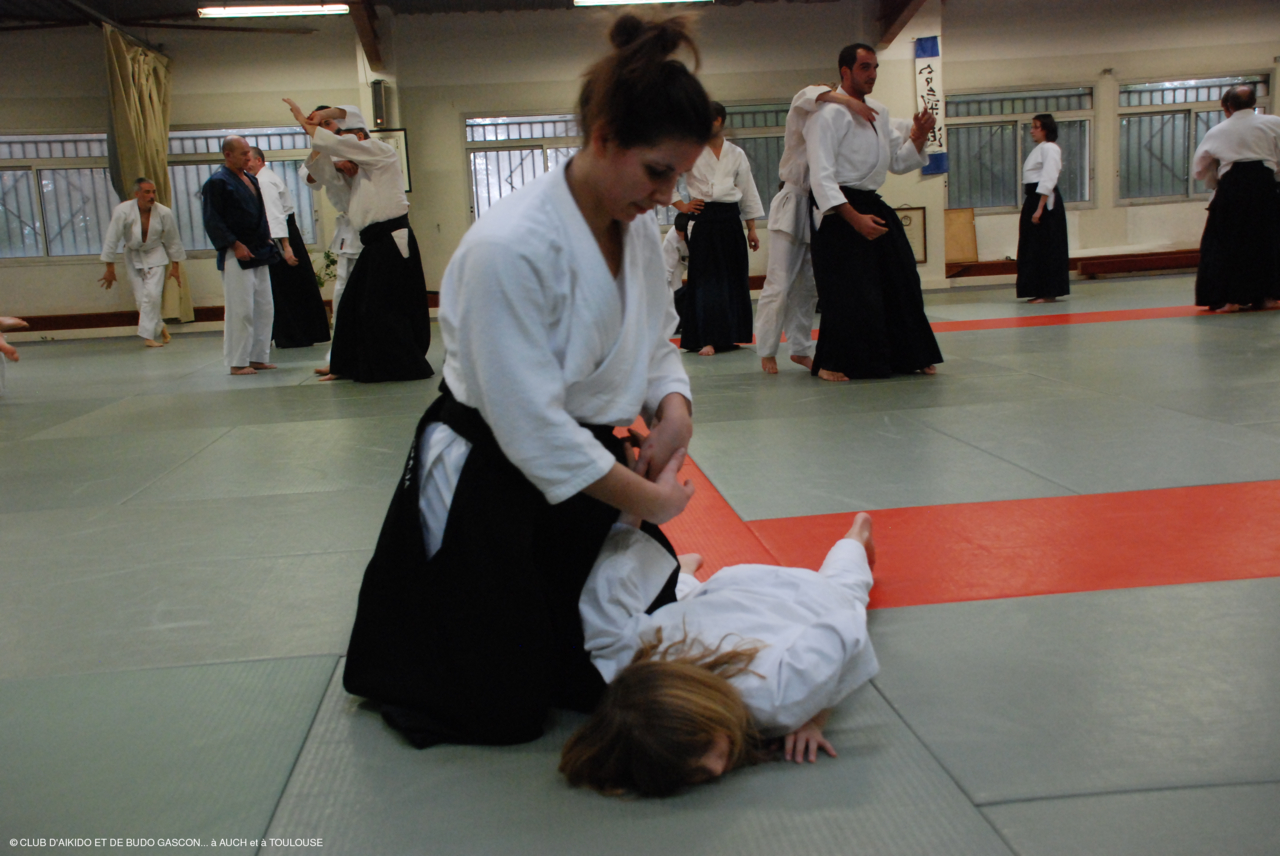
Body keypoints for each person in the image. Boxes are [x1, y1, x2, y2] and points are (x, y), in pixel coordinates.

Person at [335, 14, 712, 749]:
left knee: (620, 668)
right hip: (492, 469)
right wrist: (648, 500)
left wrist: (674, 409)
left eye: (679, 175)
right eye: (658, 171)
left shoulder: (636, 229)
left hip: (588, 466)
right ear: (603, 137)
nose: (669, 194)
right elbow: (530, 429)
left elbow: (653, 339)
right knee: (498, 707)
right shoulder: (509, 247)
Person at [561, 510, 878, 797]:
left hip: (801, 596)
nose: (714, 768)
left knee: (846, 586)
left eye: (701, 749)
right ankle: (684, 575)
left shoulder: (774, 698)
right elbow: (608, 588)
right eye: (693, 774)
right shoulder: (627, 662)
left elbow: (846, 626)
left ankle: (856, 535)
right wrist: (627, 519)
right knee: (674, 609)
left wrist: (812, 712)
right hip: (723, 589)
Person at [804, 43, 943, 381]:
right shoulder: (826, 115)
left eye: (875, 67)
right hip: (838, 209)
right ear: (845, 72)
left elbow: (898, 162)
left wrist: (920, 137)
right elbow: (821, 176)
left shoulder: (878, 111)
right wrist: (853, 219)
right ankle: (833, 362)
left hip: (871, 202)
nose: (873, 74)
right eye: (865, 67)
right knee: (849, 290)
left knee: (902, 276)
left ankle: (908, 354)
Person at [282, 101, 433, 383]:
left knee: (381, 309)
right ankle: (345, 364)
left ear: (360, 136)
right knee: (352, 304)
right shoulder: (357, 168)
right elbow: (318, 172)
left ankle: (397, 364)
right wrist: (322, 142)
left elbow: (340, 130)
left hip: (391, 239)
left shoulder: (380, 152)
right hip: (372, 241)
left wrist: (312, 120)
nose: (342, 144)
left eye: (344, 137)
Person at [756, 85, 878, 374]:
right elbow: (804, 95)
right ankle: (767, 350)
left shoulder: (836, 123)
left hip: (819, 205)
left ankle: (800, 349)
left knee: (809, 285)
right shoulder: (802, 116)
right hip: (792, 199)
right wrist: (846, 99)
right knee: (779, 283)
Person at [674, 102, 764, 356]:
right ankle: (706, 338)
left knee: (733, 277)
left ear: (718, 121)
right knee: (706, 281)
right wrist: (682, 205)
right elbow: (666, 175)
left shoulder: (736, 153)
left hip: (730, 218)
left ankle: (731, 335)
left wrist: (752, 229)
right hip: (704, 218)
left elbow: (747, 191)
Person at [1193, 85, 1280, 312]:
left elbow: (1199, 169)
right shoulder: (1274, 123)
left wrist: (1213, 181)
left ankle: (1229, 299)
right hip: (1265, 188)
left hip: (1233, 190)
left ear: (1228, 106)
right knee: (1266, 240)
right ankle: (1267, 296)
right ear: (1254, 103)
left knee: (1226, 242)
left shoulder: (1218, 131)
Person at [201, 136, 281, 375]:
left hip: (259, 249)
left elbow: (260, 214)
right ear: (228, 155)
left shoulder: (251, 179)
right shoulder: (217, 182)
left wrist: (267, 237)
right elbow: (212, 220)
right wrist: (234, 244)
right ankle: (237, 362)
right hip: (235, 253)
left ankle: (258, 357)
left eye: (249, 153)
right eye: (243, 153)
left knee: (264, 307)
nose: (248, 157)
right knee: (241, 310)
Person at [299, 106, 364, 375]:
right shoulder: (320, 153)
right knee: (342, 295)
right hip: (350, 230)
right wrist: (333, 162)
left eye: (327, 122)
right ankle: (339, 357)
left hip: (373, 226)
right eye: (318, 125)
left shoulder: (358, 143)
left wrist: (329, 113)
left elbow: (353, 113)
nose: (324, 128)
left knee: (371, 296)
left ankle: (370, 353)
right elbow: (310, 177)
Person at [98, 177, 186, 348]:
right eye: (147, 192)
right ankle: (160, 327)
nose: (152, 196)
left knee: (152, 295)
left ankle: (148, 337)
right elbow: (112, 238)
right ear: (137, 194)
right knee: (141, 300)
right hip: (132, 254)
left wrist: (175, 266)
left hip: (156, 253)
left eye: (153, 192)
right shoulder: (123, 210)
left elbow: (173, 240)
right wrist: (109, 268)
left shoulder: (164, 212)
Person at [1016, 114, 1070, 303]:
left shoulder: (1050, 148)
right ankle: (1037, 289)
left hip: (1045, 202)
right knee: (1032, 245)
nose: (1032, 131)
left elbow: (1049, 178)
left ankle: (1048, 291)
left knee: (1046, 246)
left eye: (1036, 127)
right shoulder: (1040, 148)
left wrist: (1040, 208)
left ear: (1046, 129)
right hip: (1033, 199)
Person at [661, 212, 690, 335]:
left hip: (698, 261)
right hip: (679, 261)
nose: (681, 237)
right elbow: (667, 268)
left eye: (683, 234)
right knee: (674, 289)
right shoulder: (671, 238)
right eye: (679, 234)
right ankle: (676, 321)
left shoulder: (698, 230)